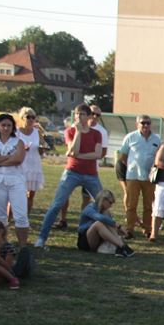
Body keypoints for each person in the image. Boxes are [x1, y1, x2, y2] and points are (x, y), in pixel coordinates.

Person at [34, 104, 103, 248]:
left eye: (82, 114)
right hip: (72, 172)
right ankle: (41, 238)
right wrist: (78, 132)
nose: (79, 117)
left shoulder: (97, 134)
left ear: (89, 116)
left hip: (91, 174)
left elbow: (97, 155)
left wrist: (79, 155)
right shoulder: (70, 131)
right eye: (77, 114)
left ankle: (107, 239)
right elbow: (73, 150)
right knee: (57, 204)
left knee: (103, 204)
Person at [0, 113, 28, 246]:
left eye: (9, 125)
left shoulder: (18, 142)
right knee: (0, 216)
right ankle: (3, 243)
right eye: (3, 125)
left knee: (21, 215)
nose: (6, 128)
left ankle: (23, 245)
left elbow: (18, 159)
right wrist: (8, 158)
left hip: (16, 180)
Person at [117, 114, 161, 239]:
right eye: (143, 123)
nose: (146, 125)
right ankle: (129, 229)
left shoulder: (156, 139)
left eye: (148, 123)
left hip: (149, 178)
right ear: (137, 124)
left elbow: (159, 156)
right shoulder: (130, 137)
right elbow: (123, 156)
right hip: (133, 177)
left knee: (149, 206)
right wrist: (132, 166)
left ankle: (147, 229)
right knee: (131, 205)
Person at [77, 189, 134, 257]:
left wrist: (121, 232)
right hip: (85, 240)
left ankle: (120, 248)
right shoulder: (90, 208)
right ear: (103, 200)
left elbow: (110, 226)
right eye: (110, 202)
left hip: (99, 238)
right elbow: (99, 218)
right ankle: (123, 246)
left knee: (108, 222)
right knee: (99, 224)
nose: (111, 205)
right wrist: (119, 226)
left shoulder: (105, 211)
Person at [15, 107, 45, 215]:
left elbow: (41, 150)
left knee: (30, 195)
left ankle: (25, 219)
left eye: (33, 117)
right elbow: (12, 149)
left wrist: (42, 148)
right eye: (28, 117)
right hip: (21, 166)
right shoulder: (17, 132)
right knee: (17, 194)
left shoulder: (37, 132)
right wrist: (22, 148)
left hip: (34, 166)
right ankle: (8, 219)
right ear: (22, 118)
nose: (31, 119)